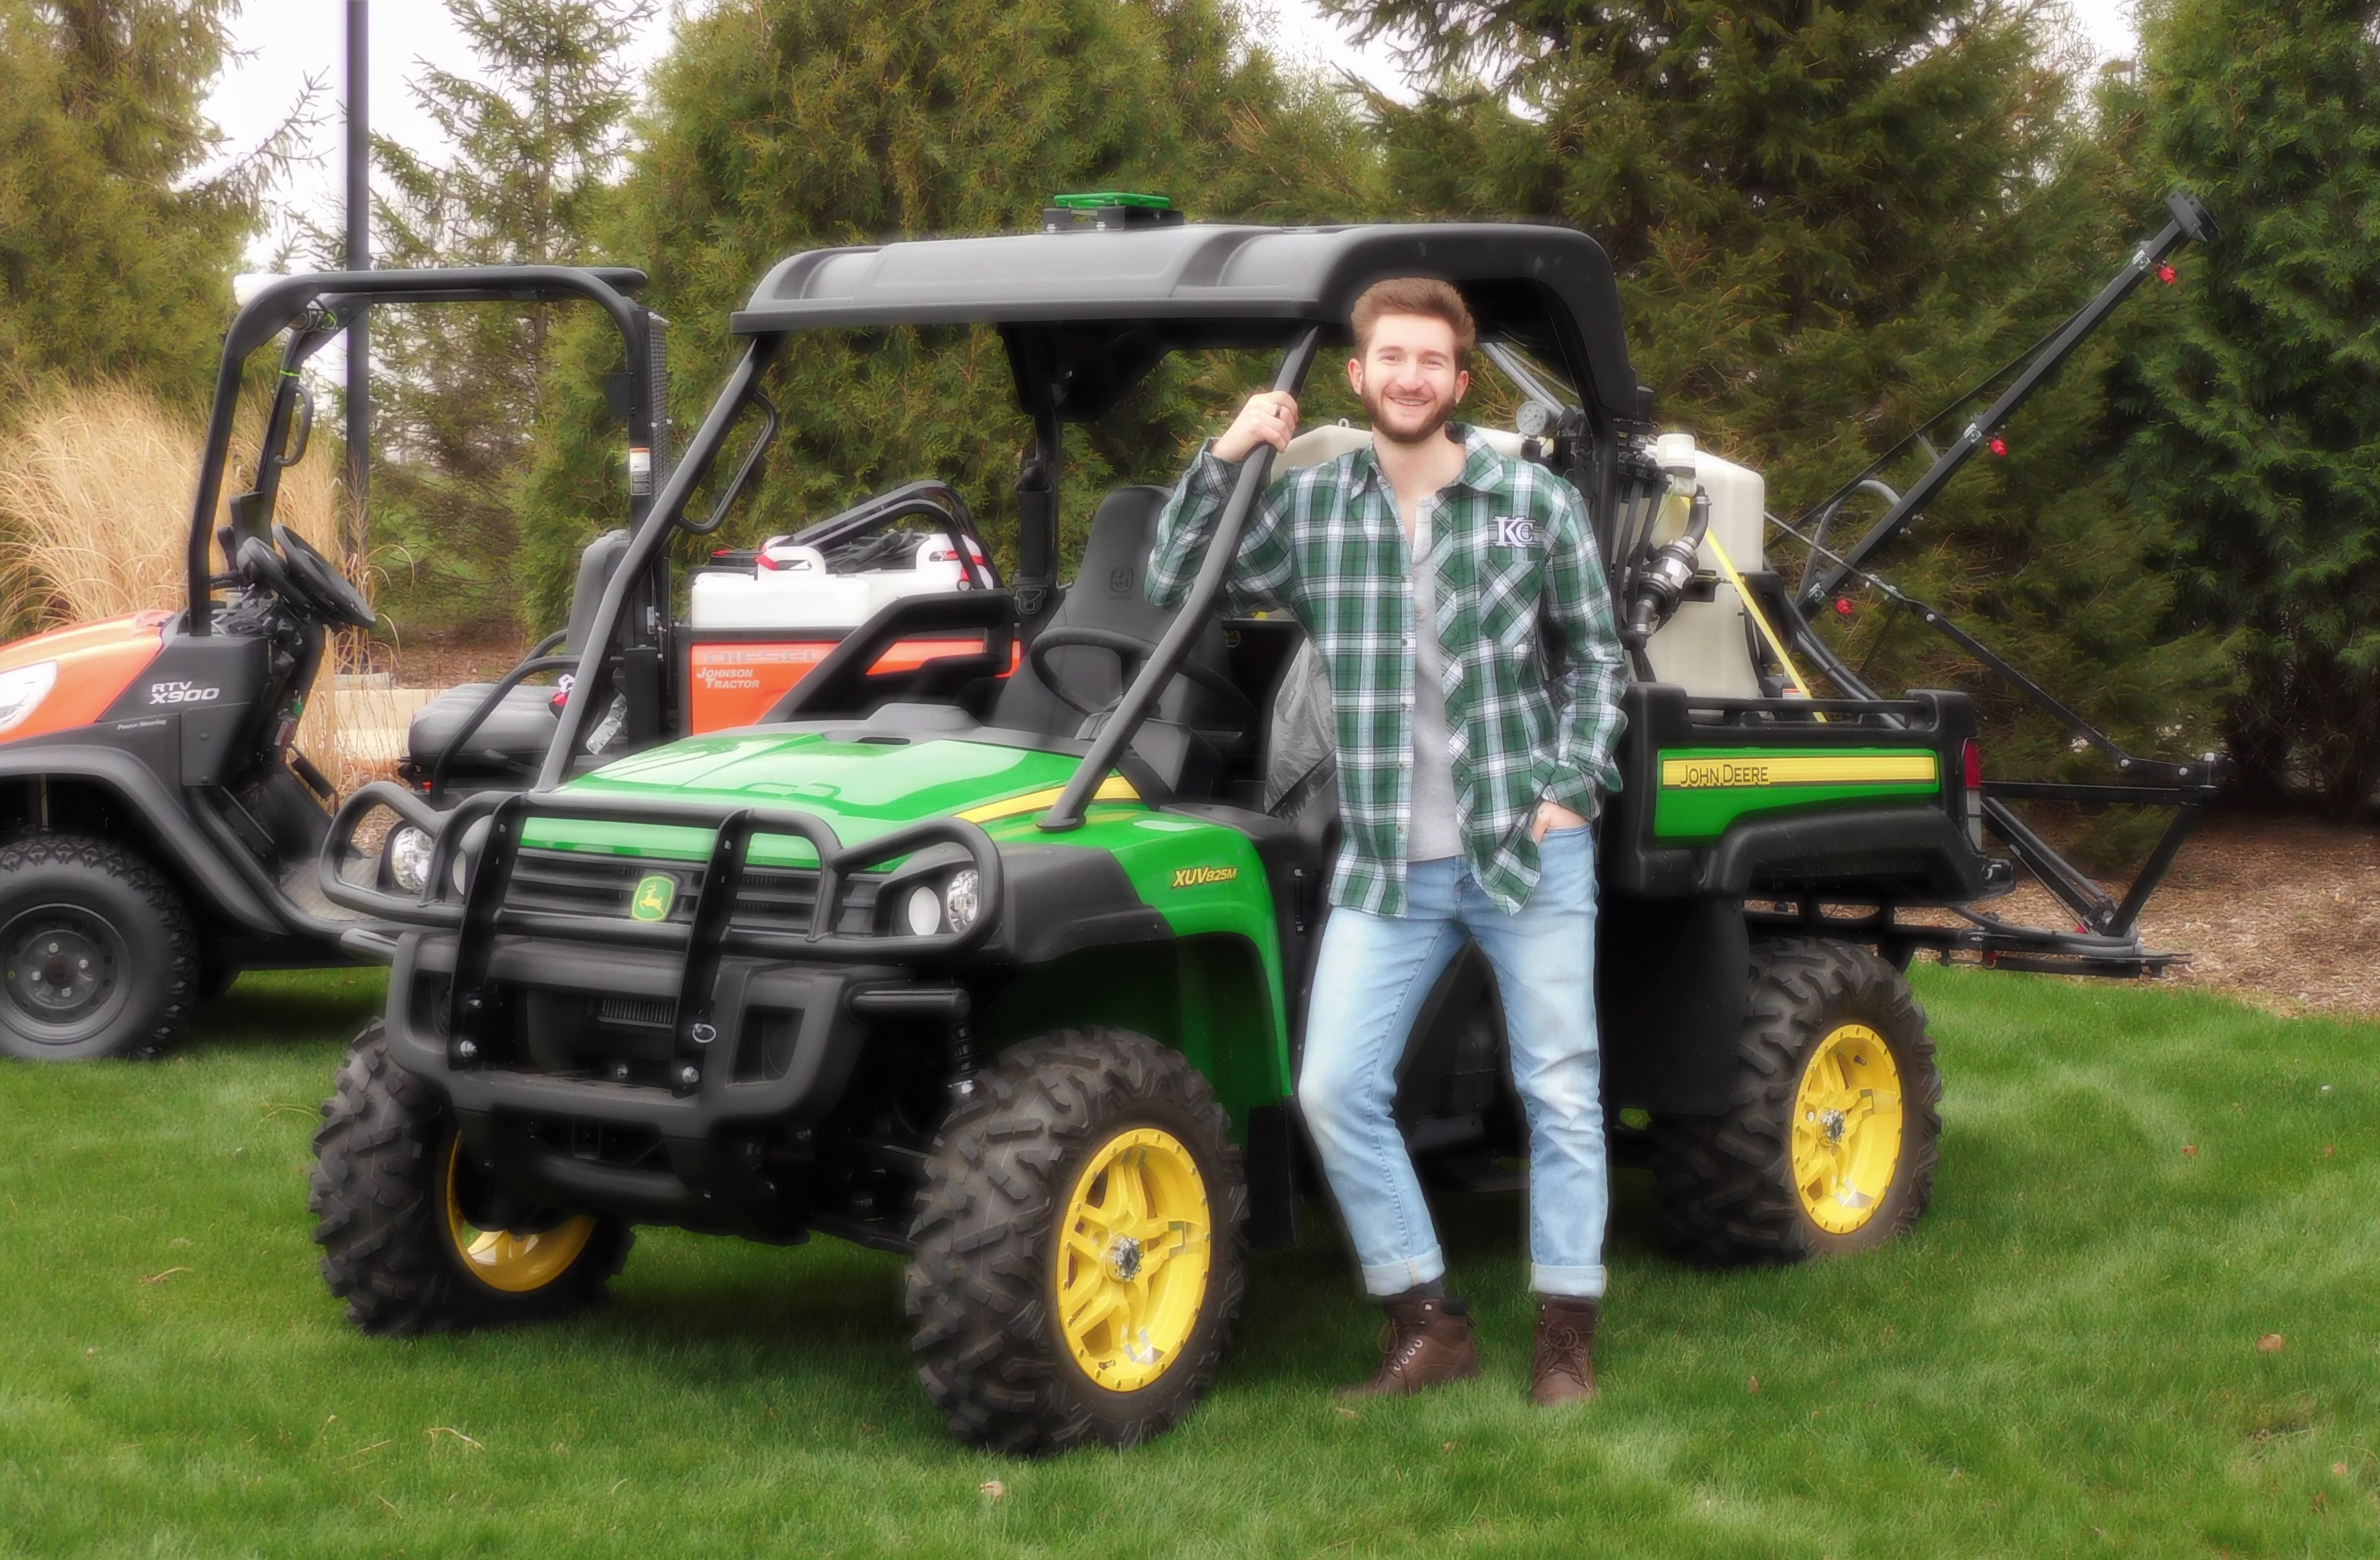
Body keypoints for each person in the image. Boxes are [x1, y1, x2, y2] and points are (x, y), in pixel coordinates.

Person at [1147, 277, 1629, 1406]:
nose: (1410, 377)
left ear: (1461, 383)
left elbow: (1599, 658)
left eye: (1432, 361)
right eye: (1389, 358)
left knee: (1559, 1090)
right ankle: (1426, 1315)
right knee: (1331, 1089)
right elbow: (1175, 583)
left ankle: (1564, 1336)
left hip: (1527, 852)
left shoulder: (1529, 503)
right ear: (1357, 377)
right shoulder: (1313, 508)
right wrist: (1224, 456)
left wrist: (1570, 785)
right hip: (1385, 866)